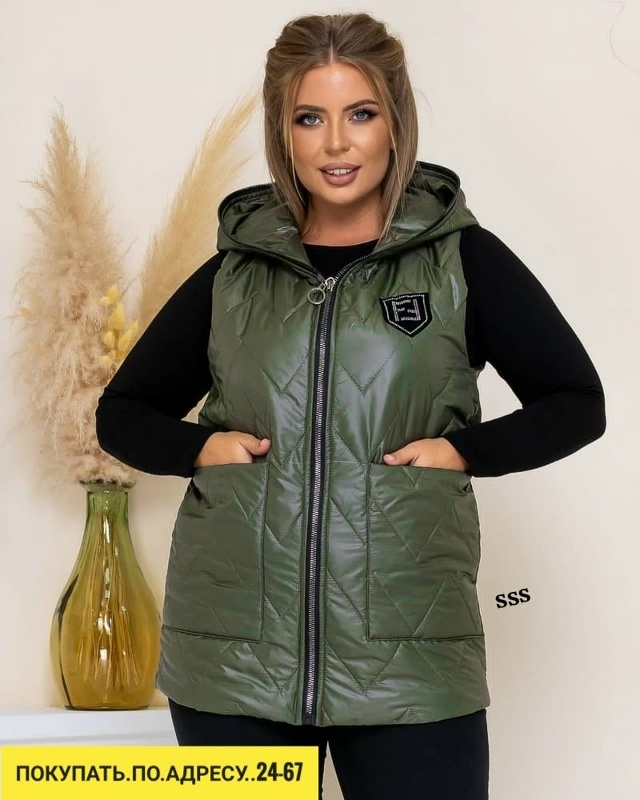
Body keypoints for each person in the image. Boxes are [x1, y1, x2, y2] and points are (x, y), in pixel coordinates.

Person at [96, 12, 605, 799]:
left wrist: (466, 452)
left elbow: (576, 401)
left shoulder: (459, 260)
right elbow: (123, 412)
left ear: (395, 122)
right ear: (283, 132)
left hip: (411, 660)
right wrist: (200, 448)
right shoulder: (236, 273)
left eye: (360, 113)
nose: (336, 143)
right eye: (310, 118)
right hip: (234, 663)